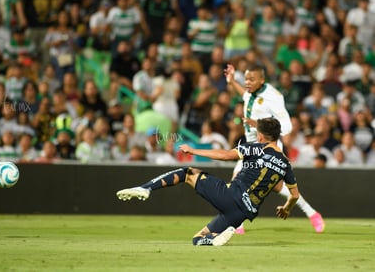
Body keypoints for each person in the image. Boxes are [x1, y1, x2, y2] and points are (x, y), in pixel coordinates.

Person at [116, 118, 300, 246]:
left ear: (260, 136)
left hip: (231, 195)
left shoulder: (257, 148)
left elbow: (227, 155)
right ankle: (212, 239)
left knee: (187, 173)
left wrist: (194, 151)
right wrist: (286, 209)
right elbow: (294, 195)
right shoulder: (285, 162)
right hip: (243, 213)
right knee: (198, 239)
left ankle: (146, 188)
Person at [224, 63, 325, 233]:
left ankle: (312, 214)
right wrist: (232, 81)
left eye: (251, 79)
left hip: (267, 146)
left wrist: (258, 125)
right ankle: (238, 222)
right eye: (246, 78)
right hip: (251, 146)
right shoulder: (252, 93)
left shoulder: (273, 97)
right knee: (257, 185)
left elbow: (287, 126)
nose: (247, 82)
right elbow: (247, 97)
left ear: (262, 80)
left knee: (251, 184)